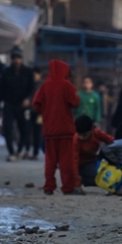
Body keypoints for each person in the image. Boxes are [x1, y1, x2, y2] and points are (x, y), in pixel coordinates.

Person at [32, 59, 82, 195]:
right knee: (66, 161)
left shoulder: (44, 86)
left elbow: (36, 104)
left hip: (49, 129)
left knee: (50, 160)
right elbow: (75, 102)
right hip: (65, 128)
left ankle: (49, 186)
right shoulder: (67, 85)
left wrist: (46, 112)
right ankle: (67, 187)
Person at [1, 47, 34, 162]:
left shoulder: (28, 72)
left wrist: (28, 99)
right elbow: (1, 88)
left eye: (18, 58)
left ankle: (19, 151)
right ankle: (11, 152)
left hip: (23, 105)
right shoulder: (6, 72)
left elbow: (32, 88)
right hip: (9, 104)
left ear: (21, 59)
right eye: (14, 58)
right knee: (7, 129)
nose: (16, 61)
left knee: (24, 130)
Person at [75, 114, 114, 187]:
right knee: (101, 176)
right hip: (81, 165)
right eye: (79, 134)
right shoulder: (76, 141)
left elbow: (110, 140)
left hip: (93, 161)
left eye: (84, 135)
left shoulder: (97, 133)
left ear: (91, 130)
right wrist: (76, 179)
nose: (81, 137)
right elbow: (74, 161)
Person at [28, 66, 44, 160]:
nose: (34, 76)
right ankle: (27, 150)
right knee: (28, 131)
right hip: (30, 110)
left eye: (36, 75)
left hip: (39, 112)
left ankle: (35, 153)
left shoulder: (43, 85)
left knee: (37, 132)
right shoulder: (29, 84)